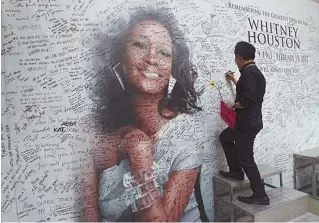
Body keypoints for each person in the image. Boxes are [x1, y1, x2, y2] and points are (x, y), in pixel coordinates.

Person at [90, 5, 207, 222]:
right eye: (139, 45)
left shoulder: (188, 133)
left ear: (173, 67)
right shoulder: (97, 129)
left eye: (163, 52)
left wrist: (139, 155)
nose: (151, 58)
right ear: (120, 56)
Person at [219, 41, 269, 205]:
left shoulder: (249, 74)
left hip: (247, 124)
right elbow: (247, 90)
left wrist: (232, 105)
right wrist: (233, 78)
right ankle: (235, 171)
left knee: (246, 158)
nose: (235, 60)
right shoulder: (253, 72)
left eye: (235, 57)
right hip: (248, 122)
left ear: (239, 56)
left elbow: (246, 101)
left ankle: (260, 194)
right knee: (225, 137)